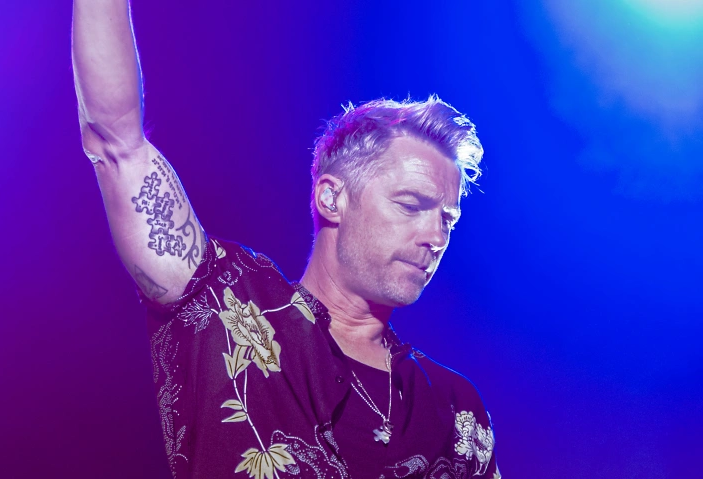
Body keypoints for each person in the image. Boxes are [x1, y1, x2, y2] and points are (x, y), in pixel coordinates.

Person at [72, 1, 501, 478]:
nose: (436, 236)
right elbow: (117, 144)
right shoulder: (227, 307)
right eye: (411, 205)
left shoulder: (458, 410)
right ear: (332, 198)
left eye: (448, 219)